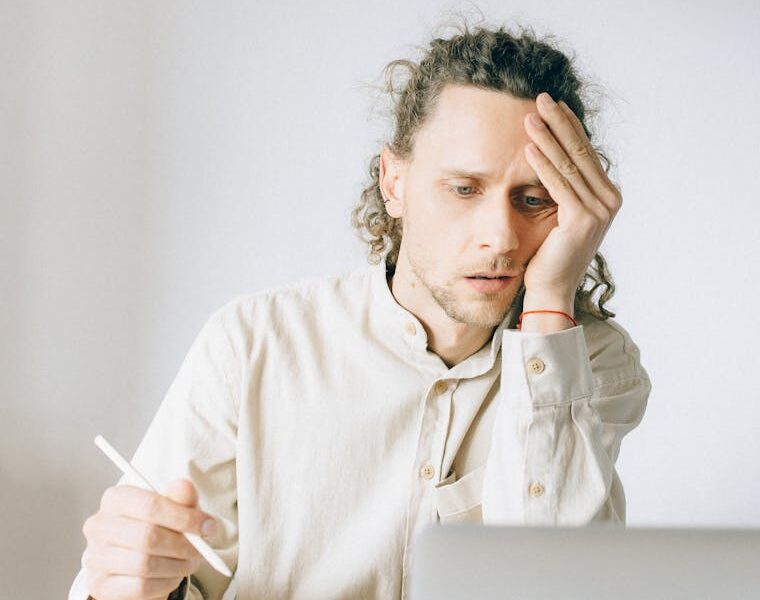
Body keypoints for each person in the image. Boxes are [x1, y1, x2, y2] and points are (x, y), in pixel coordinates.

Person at [69, 17, 651, 600]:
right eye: (464, 189)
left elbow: (557, 585)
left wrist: (551, 302)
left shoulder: (589, 362)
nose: (500, 237)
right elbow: (144, 575)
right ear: (393, 182)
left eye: (534, 199)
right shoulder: (253, 345)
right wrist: (133, 583)